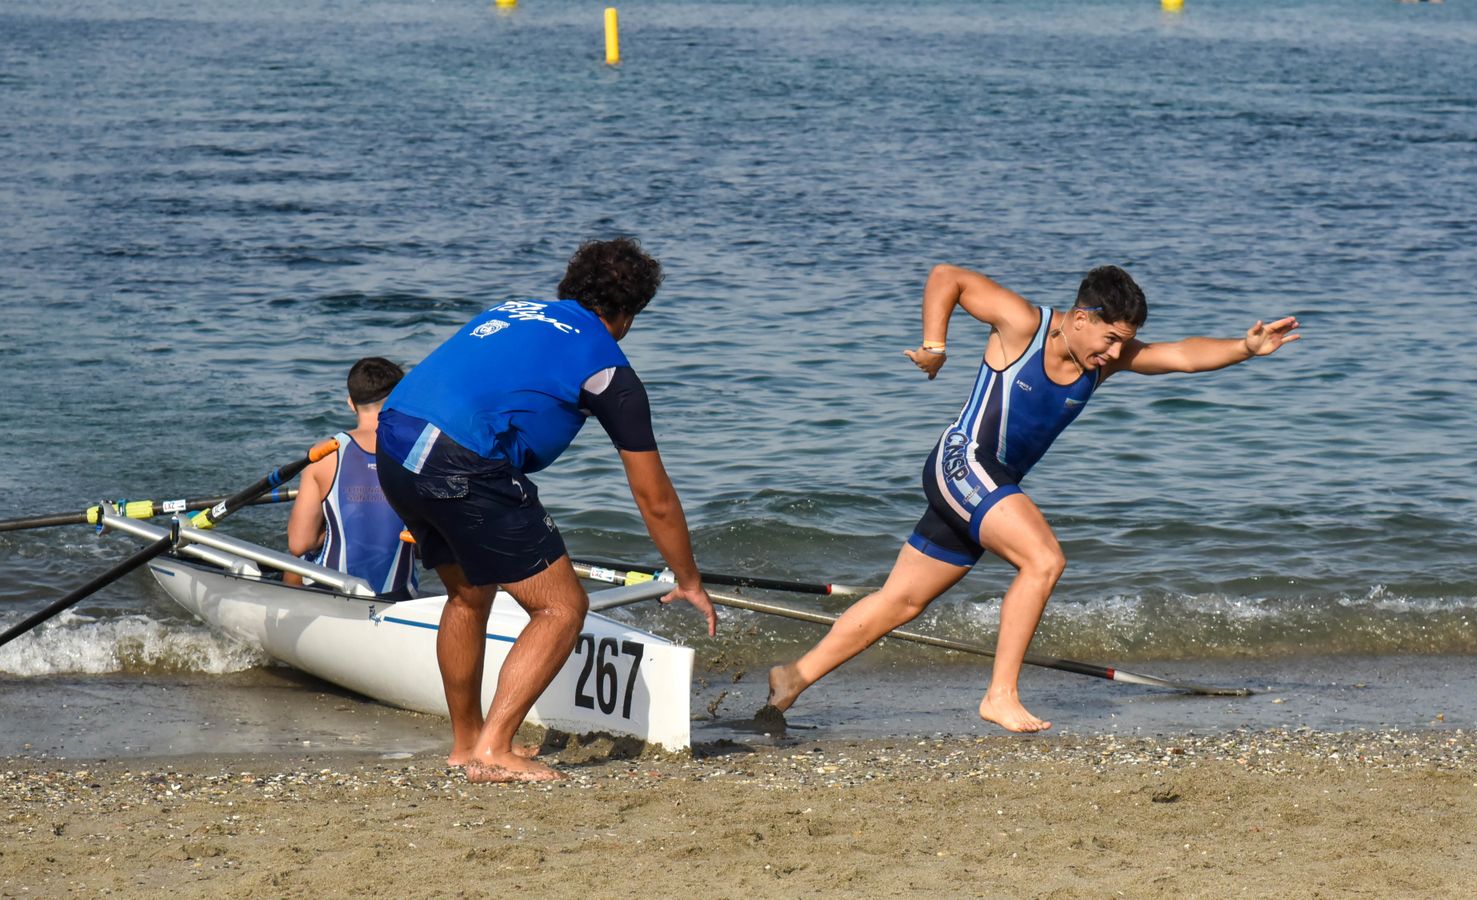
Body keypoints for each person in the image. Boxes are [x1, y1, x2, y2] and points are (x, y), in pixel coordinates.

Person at [767, 263, 1301, 733]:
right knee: (1043, 560)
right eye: (1110, 338)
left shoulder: (1104, 360)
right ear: (1079, 317)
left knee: (902, 601)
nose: (1115, 353)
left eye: (1123, 343)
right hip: (965, 461)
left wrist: (1245, 349)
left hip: (990, 482)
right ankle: (999, 695)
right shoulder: (1022, 326)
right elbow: (946, 277)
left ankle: (793, 677)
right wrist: (935, 345)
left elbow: (1180, 355)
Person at [374, 237, 716, 783]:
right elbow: (654, 497)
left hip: (394, 437)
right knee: (561, 607)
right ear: (628, 315)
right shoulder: (608, 370)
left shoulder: (509, 310)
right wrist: (687, 576)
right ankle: (494, 750)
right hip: (458, 457)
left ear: (571, 286)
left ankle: (466, 744)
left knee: (467, 593)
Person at [285, 357, 419, 599]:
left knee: (294, 563)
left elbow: (299, 543)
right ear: (399, 400)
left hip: (330, 591)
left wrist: (333, 528)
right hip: (397, 595)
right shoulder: (417, 453)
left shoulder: (326, 454)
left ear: (350, 403)